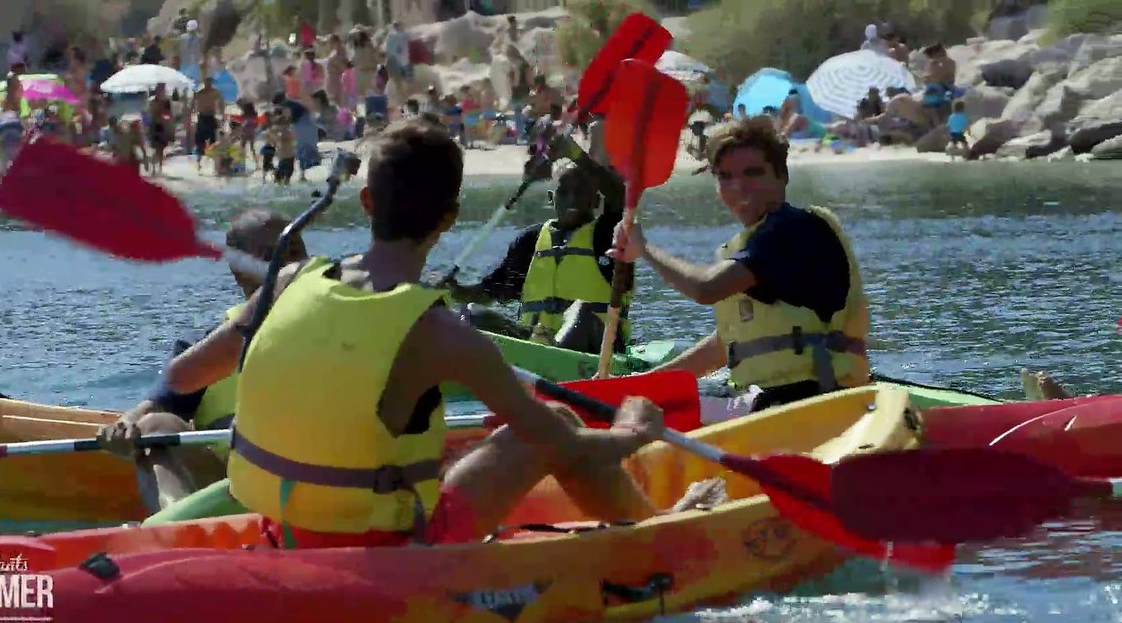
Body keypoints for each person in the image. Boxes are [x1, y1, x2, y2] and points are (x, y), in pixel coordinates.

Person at [156, 119, 709, 550]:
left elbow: (183, 375)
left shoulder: (288, 280)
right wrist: (634, 435)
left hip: (286, 527)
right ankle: (660, 531)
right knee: (558, 420)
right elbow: (556, 444)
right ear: (449, 218)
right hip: (396, 547)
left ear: (368, 202)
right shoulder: (445, 334)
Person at [609, 116, 871, 411]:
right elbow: (724, 347)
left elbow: (705, 289)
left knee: (638, 412)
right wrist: (648, 382)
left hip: (808, 401)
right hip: (777, 398)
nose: (739, 187)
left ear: (782, 175)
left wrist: (643, 249)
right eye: (725, 177)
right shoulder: (747, 244)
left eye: (753, 173)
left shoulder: (791, 230)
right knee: (645, 399)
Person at [99, 211, 307, 512]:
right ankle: (183, 529)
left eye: (295, 251)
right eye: (271, 255)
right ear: (238, 269)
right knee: (156, 426)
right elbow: (152, 408)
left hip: (316, 473)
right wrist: (122, 428)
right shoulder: (201, 346)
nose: (289, 264)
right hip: (232, 485)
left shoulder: (336, 323)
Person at [444, 132, 631, 354]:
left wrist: (576, 155)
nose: (571, 199)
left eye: (580, 193)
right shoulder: (530, 241)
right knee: (470, 313)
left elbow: (620, 196)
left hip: (594, 349)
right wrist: (454, 291)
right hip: (536, 345)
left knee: (583, 311)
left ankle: (551, 355)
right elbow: (491, 292)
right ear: (552, 199)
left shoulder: (607, 235)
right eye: (564, 192)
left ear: (596, 201)